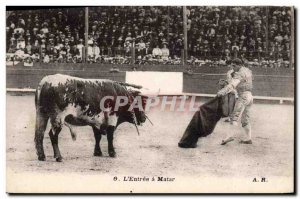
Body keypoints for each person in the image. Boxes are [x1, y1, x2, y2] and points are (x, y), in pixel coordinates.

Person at [217, 58, 253, 145]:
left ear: (240, 65)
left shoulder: (239, 73)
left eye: (234, 66)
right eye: (232, 65)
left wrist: (222, 92)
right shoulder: (247, 70)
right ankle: (248, 138)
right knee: (245, 119)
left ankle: (229, 136)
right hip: (250, 96)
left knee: (234, 117)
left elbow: (233, 85)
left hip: (243, 97)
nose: (232, 67)